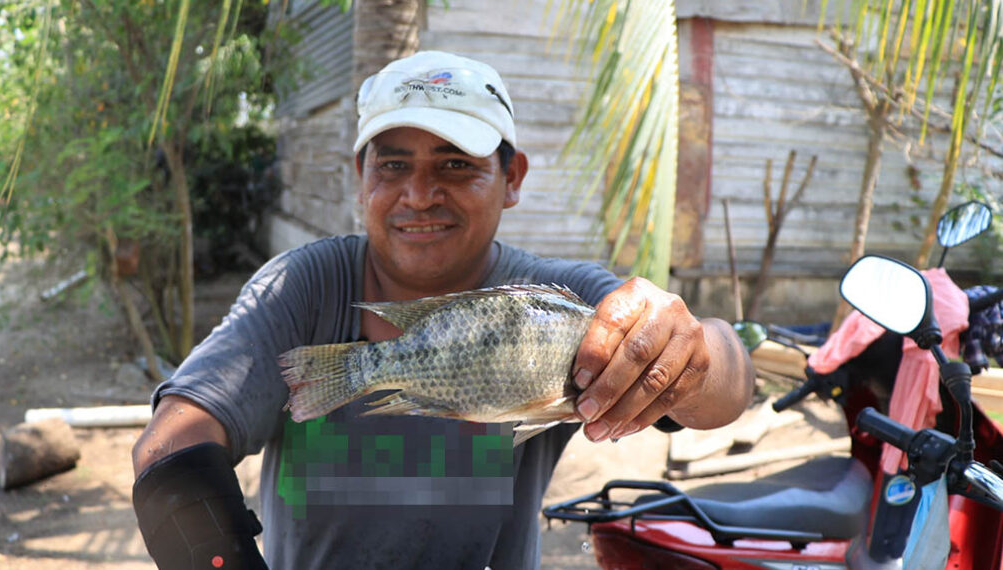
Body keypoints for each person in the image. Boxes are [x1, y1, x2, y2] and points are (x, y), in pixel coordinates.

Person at [131, 50, 755, 570]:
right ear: (361, 176)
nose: (420, 194)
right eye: (393, 165)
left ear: (513, 178)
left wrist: (692, 346)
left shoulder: (560, 299)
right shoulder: (302, 288)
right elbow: (169, 447)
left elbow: (728, 385)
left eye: (456, 165)